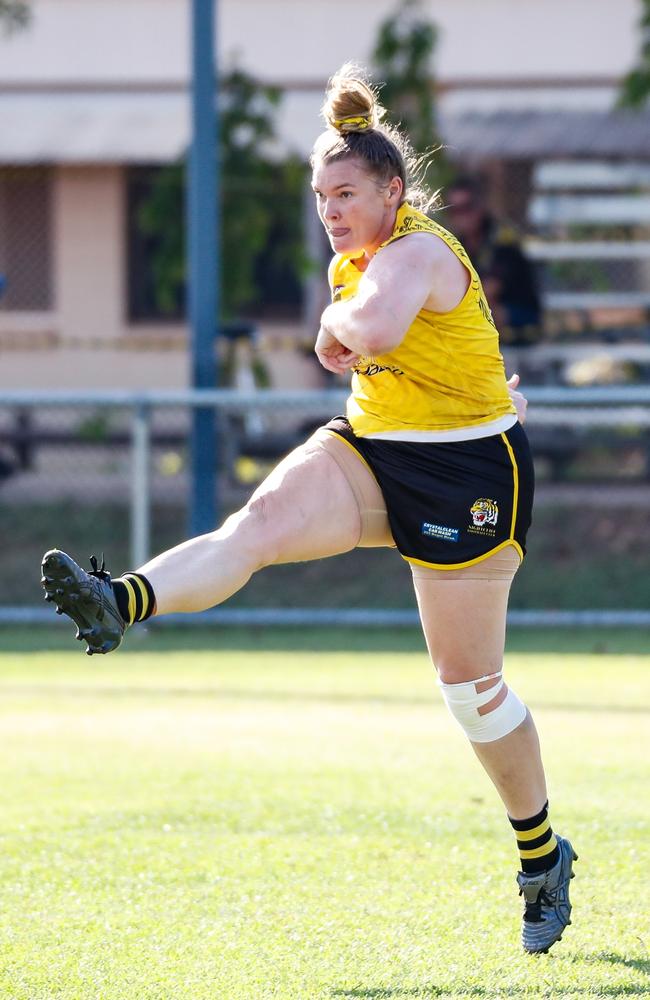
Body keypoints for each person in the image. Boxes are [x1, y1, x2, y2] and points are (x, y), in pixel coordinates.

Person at [41, 65, 576, 955]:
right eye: (320, 194)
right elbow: (364, 333)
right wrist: (342, 323)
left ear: (393, 191)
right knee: (252, 530)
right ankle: (120, 599)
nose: (329, 209)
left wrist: (337, 328)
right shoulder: (352, 261)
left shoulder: (418, 252)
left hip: (470, 477)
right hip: (374, 451)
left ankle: (542, 856)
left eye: (345, 192)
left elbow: (369, 330)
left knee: (471, 692)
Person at [445, 176, 542, 347]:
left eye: (467, 207)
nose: (462, 216)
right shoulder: (458, 243)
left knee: (482, 310)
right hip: (486, 314)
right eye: (454, 210)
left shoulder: (503, 239)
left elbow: (488, 291)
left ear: (480, 206)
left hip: (520, 316)